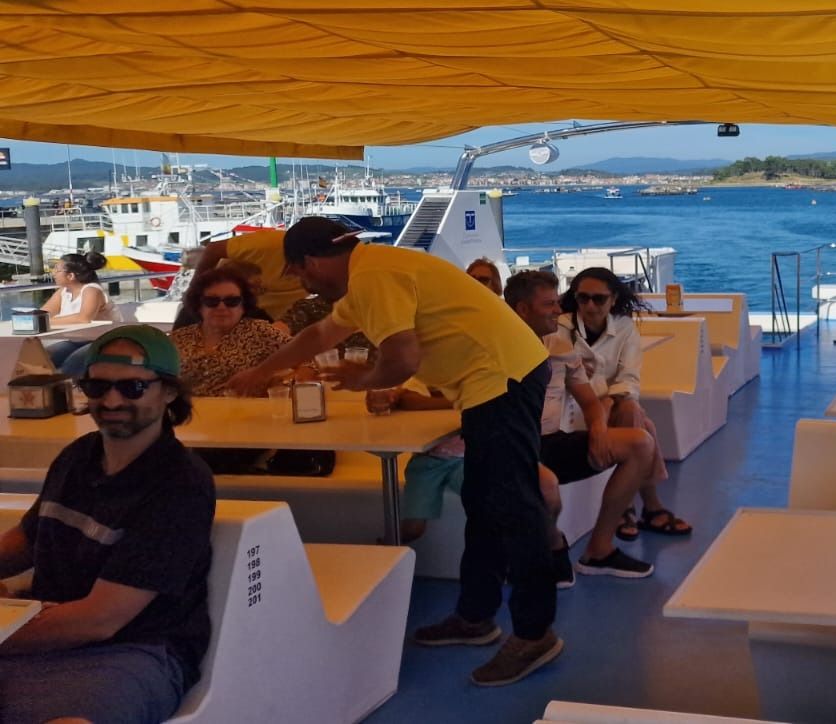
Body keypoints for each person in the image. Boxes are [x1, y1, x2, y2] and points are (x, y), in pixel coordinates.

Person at [226, 217, 561, 687]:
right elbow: (319, 337)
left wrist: (360, 381)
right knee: (484, 506)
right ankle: (475, 616)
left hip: (502, 380)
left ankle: (534, 632)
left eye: (299, 274)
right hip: (492, 381)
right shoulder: (369, 275)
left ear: (313, 261)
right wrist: (260, 372)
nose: (302, 283)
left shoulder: (373, 276)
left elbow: (403, 358)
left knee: (514, 507)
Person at [0, 325, 215, 724]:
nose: (111, 400)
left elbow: (100, 619)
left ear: (168, 392)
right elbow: (31, 539)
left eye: (132, 387)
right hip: (48, 631)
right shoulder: (78, 456)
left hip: (135, 651)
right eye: (97, 388)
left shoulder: (180, 484)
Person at [507, 271, 657, 578]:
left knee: (641, 442)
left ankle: (598, 550)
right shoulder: (495, 351)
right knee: (546, 486)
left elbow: (589, 400)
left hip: (550, 441)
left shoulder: (560, 349)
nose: (559, 310)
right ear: (523, 310)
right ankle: (554, 543)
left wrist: (599, 430)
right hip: (510, 447)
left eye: (557, 302)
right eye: (550, 304)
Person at [557, 268, 692, 539]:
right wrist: (600, 409)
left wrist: (605, 405)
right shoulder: (562, 328)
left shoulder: (624, 327)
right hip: (572, 411)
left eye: (599, 299)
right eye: (583, 298)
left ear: (614, 299)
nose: (590, 306)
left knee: (631, 410)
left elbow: (629, 378)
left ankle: (629, 508)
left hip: (612, 409)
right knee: (643, 427)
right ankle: (646, 507)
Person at [169, 268, 288, 397]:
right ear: (199, 305)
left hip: (242, 413)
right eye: (212, 301)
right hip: (187, 413)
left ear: (243, 306)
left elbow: (306, 359)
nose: (221, 307)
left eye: (232, 301)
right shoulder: (178, 338)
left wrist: (277, 381)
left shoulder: (260, 332)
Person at [195, 229, 308, 321]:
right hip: (214, 308)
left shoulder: (319, 278)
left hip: (262, 321)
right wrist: (196, 292)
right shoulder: (270, 243)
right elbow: (213, 250)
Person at [40, 251, 115, 326]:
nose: (53, 273)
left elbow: (84, 319)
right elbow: (44, 313)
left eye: (56, 270)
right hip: (77, 334)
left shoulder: (92, 290)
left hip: (103, 335)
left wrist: (44, 322)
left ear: (70, 276)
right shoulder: (64, 291)